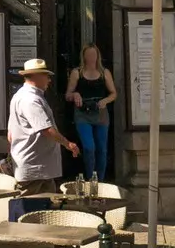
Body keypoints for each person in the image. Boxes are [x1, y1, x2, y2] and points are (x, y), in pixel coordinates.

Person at [7, 58, 78, 201]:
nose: (49, 80)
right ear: (36, 76)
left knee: (47, 207)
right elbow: (46, 129)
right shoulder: (30, 99)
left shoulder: (23, 95)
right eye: (46, 75)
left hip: (40, 168)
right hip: (34, 168)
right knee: (27, 208)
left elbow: (10, 135)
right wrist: (68, 144)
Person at [65, 43, 117, 183]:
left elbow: (113, 94)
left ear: (98, 56)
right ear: (83, 56)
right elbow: (67, 95)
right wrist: (75, 95)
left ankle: (100, 180)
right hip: (83, 114)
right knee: (89, 147)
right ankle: (90, 178)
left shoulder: (104, 72)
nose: (91, 57)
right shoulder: (77, 73)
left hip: (100, 113)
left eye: (94, 54)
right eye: (88, 54)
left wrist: (105, 101)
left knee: (102, 149)